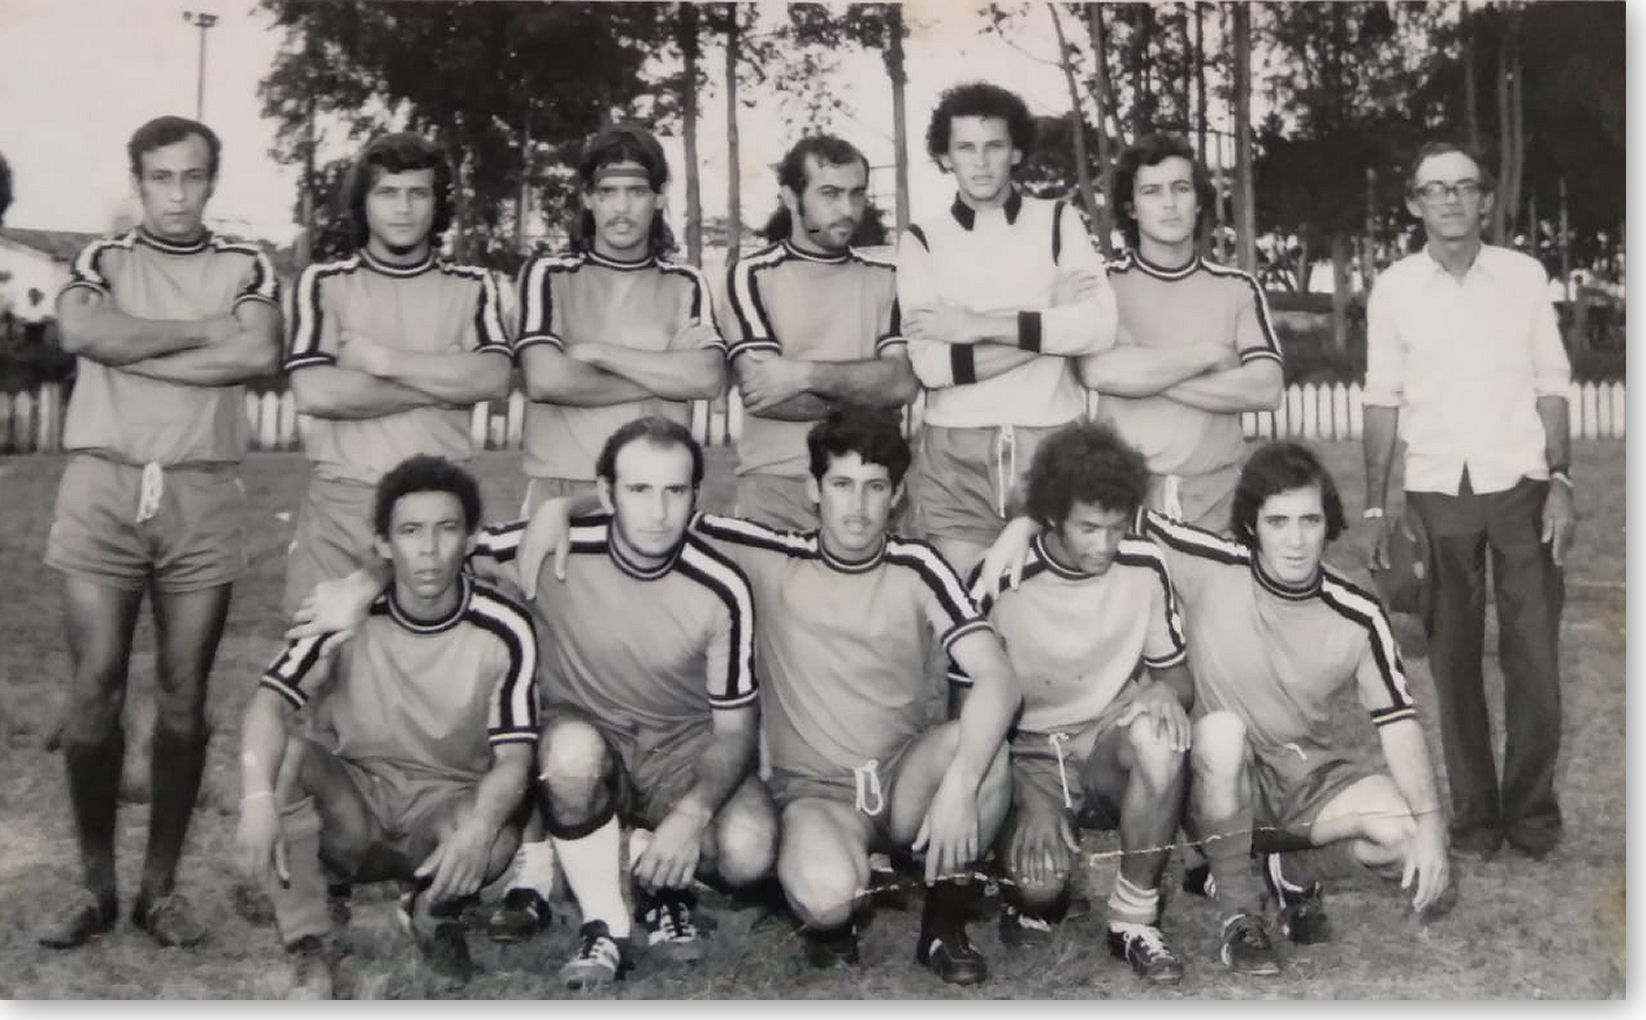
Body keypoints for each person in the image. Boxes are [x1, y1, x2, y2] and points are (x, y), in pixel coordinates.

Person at [517, 406, 1023, 985]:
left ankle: (943, 925)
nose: (857, 507)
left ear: (898, 495)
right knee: (828, 900)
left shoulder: (918, 564)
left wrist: (959, 787)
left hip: (902, 776)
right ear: (812, 489)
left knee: (985, 751)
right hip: (816, 795)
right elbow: (655, 505)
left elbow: (997, 677)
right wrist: (563, 507)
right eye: (841, 485)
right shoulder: (765, 552)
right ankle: (835, 893)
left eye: (875, 487)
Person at [978, 442, 1454, 974]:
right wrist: (1023, 525)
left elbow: (1399, 723)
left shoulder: (1358, 614)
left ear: (1329, 524)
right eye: (1277, 522)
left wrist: (1432, 826)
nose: (1295, 540)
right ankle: (1239, 915)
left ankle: (1291, 871)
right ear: (1250, 525)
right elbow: (1087, 495)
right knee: (1223, 732)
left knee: (1405, 835)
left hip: (1302, 780)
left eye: (1309, 521)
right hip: (1212, 780)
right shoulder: (1207, 562)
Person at [41, 115, 282, 948]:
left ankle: (160, 892)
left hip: (201, 491)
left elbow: (257, 354)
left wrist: (132, 352)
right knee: (95, 686)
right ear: (137, 181)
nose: (177, 195)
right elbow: (80, 332)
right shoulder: (101, 258)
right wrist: (201, 333)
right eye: (160, 177)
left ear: (213, 180)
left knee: (184, 693)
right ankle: (95, 889)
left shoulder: (246, 264)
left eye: (193, 176)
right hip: (103, 485)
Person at [474, 418, 774, 989]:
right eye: (639, 490)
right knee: (568, 755)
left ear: (695, 495)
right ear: (607, 494)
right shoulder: (553, 546)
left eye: (674, 491)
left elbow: (736, 731)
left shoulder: (722, 585)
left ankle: (654, 874)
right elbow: (441, 547)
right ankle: (604, 923)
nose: (658, 512)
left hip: (677, 757)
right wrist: (360, 588)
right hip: (591, 742)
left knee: (749, 850)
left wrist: (691, 816)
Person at [237, 455, 539, 997]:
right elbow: (269, 703)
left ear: (471, 539)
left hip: (442, 812)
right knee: (290, 758)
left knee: (498, 822)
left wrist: (478, 830)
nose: (429, 549)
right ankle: (308, 942)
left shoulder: (506, 626)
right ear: (382, 543)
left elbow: (515, 757)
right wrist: (256, 797)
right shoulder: (342, 613)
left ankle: (433, 913)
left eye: (447, 529)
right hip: (357, 807)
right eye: (410, 531)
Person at [1362, 141, 1575, 861]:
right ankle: (1477, 819)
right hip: (1435, 491)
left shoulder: (1523, 277)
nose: (1450, 199)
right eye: (1435, 188)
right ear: (1415, 203)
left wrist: (1561, 480)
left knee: (1534, 660)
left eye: (1463, 186)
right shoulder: (1394, 288)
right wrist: (1375, 508)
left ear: (1485, 199)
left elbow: (1551, 382)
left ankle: (1532, 814)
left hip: (1521, 486)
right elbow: (1381, 397)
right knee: (1453, 664)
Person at [968, 422, 1193, 984]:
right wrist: (1027, 798)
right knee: (1039, 892)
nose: (1105, 545)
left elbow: (1177, 676)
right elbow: (963, 717)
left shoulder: (1144, 563)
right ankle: (1028, 879)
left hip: (1103, 744)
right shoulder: (1001, 577)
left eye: (1116, 527)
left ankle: (1134, 917)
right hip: (1028, 756)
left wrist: (1163, 689)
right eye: (1088, 528)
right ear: (1051, 516)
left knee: (1161, 735)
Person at [282, 132, 512, 615]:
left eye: (417, 193)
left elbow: (492, 379)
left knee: (429, 653)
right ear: (363, 202)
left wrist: (387, 363)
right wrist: (443, 379)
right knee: (321, 651)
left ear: (437, 203)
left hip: (437, 509)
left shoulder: (474, 286)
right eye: (387, 192)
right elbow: (315, 392)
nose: (402, 209)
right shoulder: (324, 283)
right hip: (343, 506)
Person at [896, 81, 1119, 576]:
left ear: (1016, 151)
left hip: (1051, 442)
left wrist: (976, 325)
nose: (980, 162)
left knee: (1051, 601)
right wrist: (1049, 325)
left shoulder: (1059, 220)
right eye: (965, 148)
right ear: (945, 156)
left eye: (994, 146)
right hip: (955, 452)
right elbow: (932, 367)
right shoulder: (921, 240)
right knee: (961, 600)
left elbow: (1098, 326)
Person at [513, 124, 725, 516]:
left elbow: (707, 378)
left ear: (659, 197)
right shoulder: (550, 274)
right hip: (563, 485)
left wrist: (598, 353)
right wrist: (665, 371)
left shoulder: (685, 281)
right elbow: (546, 380)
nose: (622, 208)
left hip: (657, 490)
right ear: (587, 198)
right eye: (607, 192)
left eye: (637, 191)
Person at [1079, 131, 1284, 533]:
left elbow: (1265, 389)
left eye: (1181, 188)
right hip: (1121, 503)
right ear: (1131, 207)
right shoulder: (1103, 285)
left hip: (1217, 503)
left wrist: (1142, 372)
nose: (1169, 203)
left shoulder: (1237, 288)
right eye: (1152, 191)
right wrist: (1209, 356)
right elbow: (1097, 372)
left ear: (1199, 200)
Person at [725, 134, 918, 530]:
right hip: (777, 485)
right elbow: (763, 396)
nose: (847, 210)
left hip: (868, 481)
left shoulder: (888, 277)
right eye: (829, 194)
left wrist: (802, 374)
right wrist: (869, 397)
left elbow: (902, 384)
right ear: (791, 198)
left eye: (856, 194)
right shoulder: (751, 275)